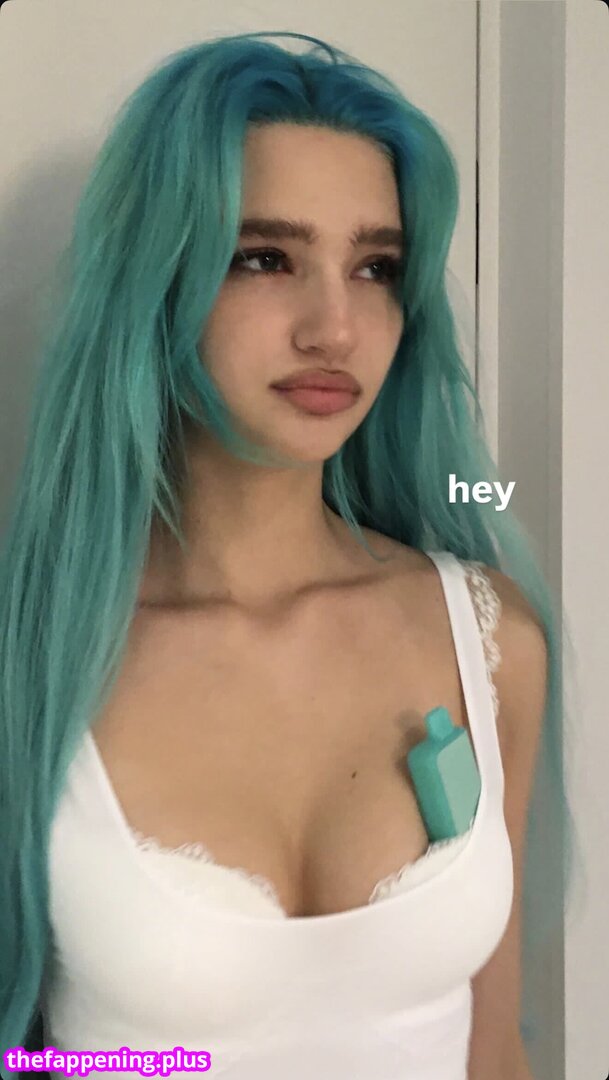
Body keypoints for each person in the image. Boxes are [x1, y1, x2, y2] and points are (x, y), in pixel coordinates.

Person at [0, 30, 579, 1080]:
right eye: (265, 257)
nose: (336, 328)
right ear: (154, 278)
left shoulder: (491, 641)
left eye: (376, 268)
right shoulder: (31, 661)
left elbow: (494, 1048)